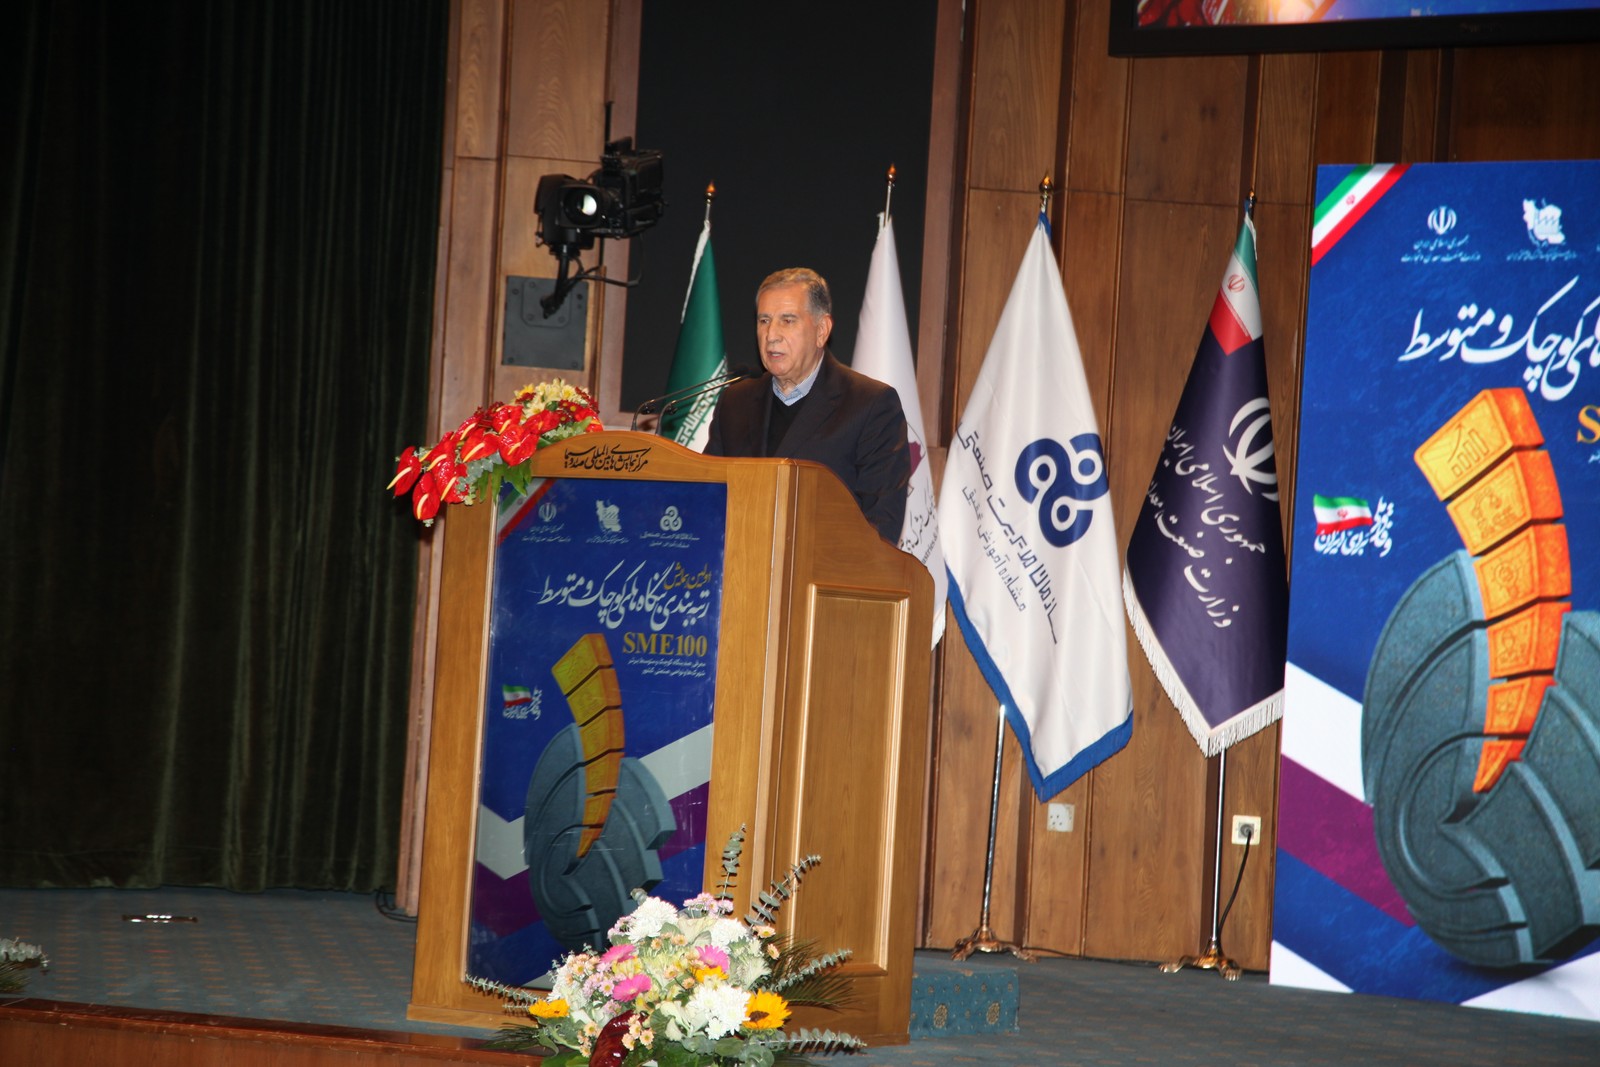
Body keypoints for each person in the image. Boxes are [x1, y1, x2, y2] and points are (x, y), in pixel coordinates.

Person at [704, 268, 910, 543]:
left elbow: (881, 527)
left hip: (823, 568)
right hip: (739, 564)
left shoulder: (870, 405)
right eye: (764, 320)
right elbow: (706, 497)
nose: (771, 335)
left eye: (787, 320)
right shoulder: (735, 402)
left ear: (821, 331)